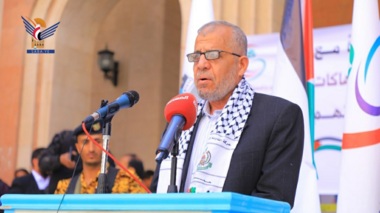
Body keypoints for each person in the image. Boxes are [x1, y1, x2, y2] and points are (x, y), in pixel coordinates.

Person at [150, 20, 304, 208]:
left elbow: (272, 203)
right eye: (196, 56)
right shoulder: (181, 118)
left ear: (241, 65)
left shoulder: (278, 117)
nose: (201, 65)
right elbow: (158, 190)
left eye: (213, 55)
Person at [54, 120, 147, 194]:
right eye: (85, 142)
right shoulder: (65, 187)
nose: (91, 149)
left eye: (97, 141)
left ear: (106, 144)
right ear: (78, 147)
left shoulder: (126, 179)